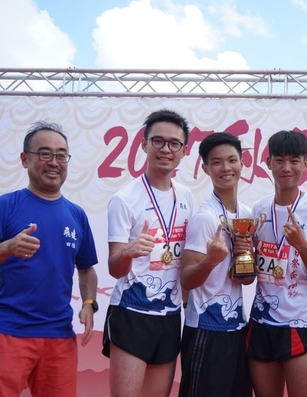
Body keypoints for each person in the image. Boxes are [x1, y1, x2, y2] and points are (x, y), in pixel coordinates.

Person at [0, 121, 99, 397]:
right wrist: (8, 247)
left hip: (59, 335)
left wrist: (88, 304)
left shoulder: (76, 214)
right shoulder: (4, 206)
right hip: (7, 332)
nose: (54, 162)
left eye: (61, 155)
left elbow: (86, 269)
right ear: (25, 159)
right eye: (45, 153)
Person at [104, 109, 195, 397]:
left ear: (184, 151)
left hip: (169, 315)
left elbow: (185, 260)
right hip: (132, 313)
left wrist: (187, 305)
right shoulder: (124, 199)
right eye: (158, 141)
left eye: (174, 143)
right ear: (144, 144)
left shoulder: (186, 197)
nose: (166, 149)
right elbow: (115, 268)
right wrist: (128, 253)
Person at [246, 130, 307, 397]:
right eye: (279, 160)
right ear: (268, 162)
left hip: (299, 323)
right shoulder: (258, 210)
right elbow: (248, 274)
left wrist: (301, 245)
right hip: (261, 323)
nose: (286, 168)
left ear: (305, 163)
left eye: (294, 161)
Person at [179, 132, 254, 397]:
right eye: (217, 162)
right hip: (205, 329)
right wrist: (210, 261)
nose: (226, 168)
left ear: (242, 163)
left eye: (232, 160)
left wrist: (245, 257)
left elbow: (246, 280)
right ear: (205, 168)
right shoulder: (205, 218)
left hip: (237, 327)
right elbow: (187, 279)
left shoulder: (247, 215)